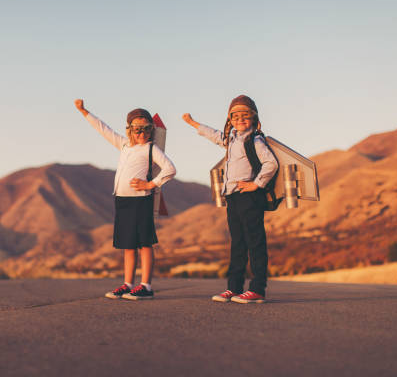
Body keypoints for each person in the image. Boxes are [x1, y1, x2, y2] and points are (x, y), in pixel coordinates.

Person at [75, 99, 176, 300]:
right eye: (137, 129)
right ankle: (128, 284)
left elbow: (170, 169)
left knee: (145, 243)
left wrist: (151, 184)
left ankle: (146, 285)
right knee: (128, 244)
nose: (141, 133)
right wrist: (83, 111)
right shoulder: (123, 145)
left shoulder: (150, 149)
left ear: (151, 130)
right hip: (122, 201)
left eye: (146, 129)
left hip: (141, 200)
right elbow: (103, 129)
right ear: (129, 129)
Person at [182, 95, 278, 303]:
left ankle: (257, 289)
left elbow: (271, 163)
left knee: (255, 243)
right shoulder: (231, 139)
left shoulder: (256, 139)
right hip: (233, 196)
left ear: (253, 118)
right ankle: (233, 288)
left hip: (250, 196)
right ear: (229, 118)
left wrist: (256, 184)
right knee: (238, 243)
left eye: (245, 116)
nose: (240, 120)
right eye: (235, 116)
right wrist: (193, 123)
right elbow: (215, 135)